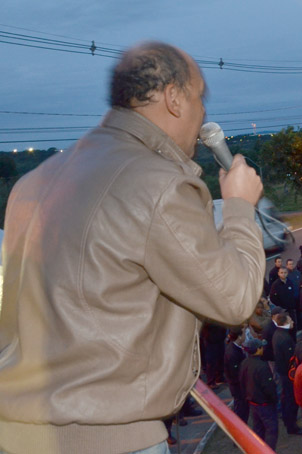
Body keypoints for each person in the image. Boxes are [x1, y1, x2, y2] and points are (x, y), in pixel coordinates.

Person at [0, 42, 267, 453]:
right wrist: (237, 207)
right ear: (174, 98)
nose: (203, 115)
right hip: (110, 437)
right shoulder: (158, 184)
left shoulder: (33, 182)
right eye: (199, 98)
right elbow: (235, 300)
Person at [240, 338, 279, 449]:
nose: (263, 348)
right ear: (257, 349)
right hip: (265, 404)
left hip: (253, 402)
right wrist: (274, 399)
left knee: (258, 429)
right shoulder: (262, 366)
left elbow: (241, 382)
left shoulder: (244, 363)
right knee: (271, 430)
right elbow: (268, 388)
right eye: (261, 347)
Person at [273, 312, 302, 434]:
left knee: (286, 398)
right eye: (290, 320)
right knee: (291, 400)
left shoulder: (278, 334)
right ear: (285, 322)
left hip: (283, 372)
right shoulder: (285, 338)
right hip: (288, 375)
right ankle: (292, 425)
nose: (293, 322)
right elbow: (290, 359)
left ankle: (288, 421)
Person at [224, 328, 249, 424]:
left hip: (239, 385)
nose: (245, 336)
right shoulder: (232, 353)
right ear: (239, 337)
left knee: (242, 407)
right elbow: (235, 373)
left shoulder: (236, 348)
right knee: (241, 409)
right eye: (243, 334)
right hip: (238, 387)